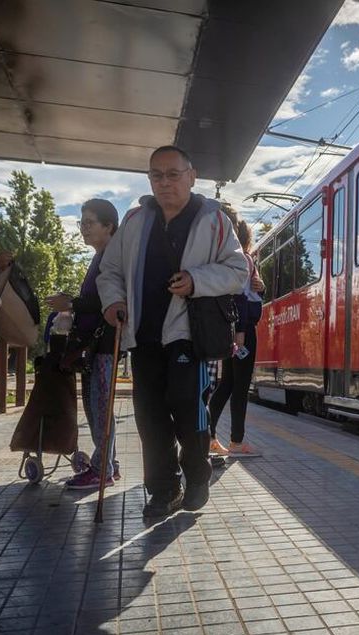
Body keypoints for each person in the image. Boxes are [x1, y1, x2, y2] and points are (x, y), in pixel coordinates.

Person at [97, 145, 248, 519]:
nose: (165, 183)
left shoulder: (213, 219)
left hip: (188, 333)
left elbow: (237, 271)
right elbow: (110, 271)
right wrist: (113, 303)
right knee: (149, 416)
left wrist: (197, 280)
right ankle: (163, 490)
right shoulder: (135, 221)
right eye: (157, 175)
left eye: (173, 174)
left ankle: (197, 476)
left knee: (185, 405)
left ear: (191, 175)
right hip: (142, 333)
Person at [47, 199, 121, 490]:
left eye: (89, 223)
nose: (83, 229)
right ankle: (107, 465)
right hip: (94, 344)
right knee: (96, 406)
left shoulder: (111, 258)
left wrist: (72, 303)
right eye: (81, 223)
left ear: (109, 226)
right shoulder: (99, 255)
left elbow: (106, 300)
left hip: (105, 343)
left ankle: (103, 468)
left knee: (101, 406)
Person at [209, 220, 265, 457]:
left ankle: (209, 436)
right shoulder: (244, 259)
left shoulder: (227, 260)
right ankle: (236, 441)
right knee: (240, 387)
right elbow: (242, 298)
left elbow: (248, 292)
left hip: (229, 328)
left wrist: (261, 288)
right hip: (244, 329)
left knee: (226, 384)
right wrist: (241, 331)